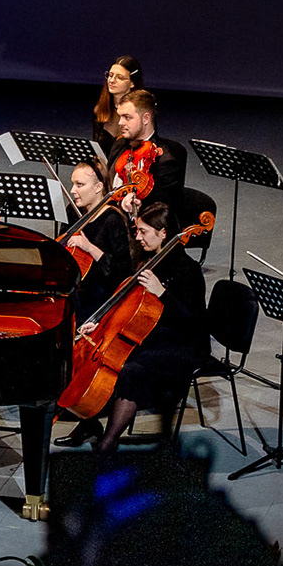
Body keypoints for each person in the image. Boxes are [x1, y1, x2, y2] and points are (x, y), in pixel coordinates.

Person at [62, 201, 208, 453]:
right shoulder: (147, 260)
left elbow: (193, 323)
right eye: (137, 230)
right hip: (150, 336)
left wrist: (162, 293)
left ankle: (108, 442)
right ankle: (90, 424)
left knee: (130, 369)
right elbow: (125, 303)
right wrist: (98, 323)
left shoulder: (188, 270)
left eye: (143, 232)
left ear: (163, 233)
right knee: (90, 356)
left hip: (183, 344)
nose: (137, 237)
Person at [62, 158, 133, 320]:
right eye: (73, 184)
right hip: (74, 289)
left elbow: (122, 272)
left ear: (98, 187)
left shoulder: (112, 220)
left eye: (80, 185)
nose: (72, 190)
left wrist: (89, 247)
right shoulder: (73, 211)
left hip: (99, 300)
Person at [107, 89, 187, 213]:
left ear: (145, 119)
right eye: (120, 116)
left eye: (127, 117)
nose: (120, 123)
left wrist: (133, 205)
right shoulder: (119, 144)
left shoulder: (168, 155)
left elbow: (163, 206)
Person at [91, 56, 144, 148]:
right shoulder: (100, 110)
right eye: (110, 75)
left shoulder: (142, 111)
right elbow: (96, 148)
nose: (112, 81)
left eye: (120, 78)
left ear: (132, 83)